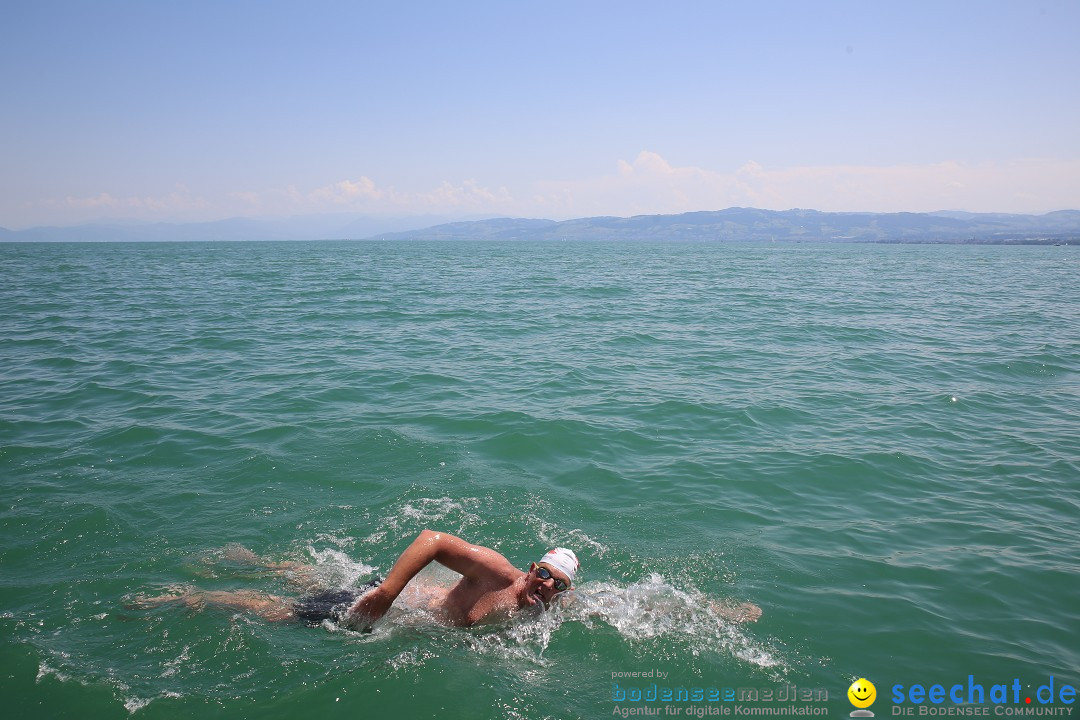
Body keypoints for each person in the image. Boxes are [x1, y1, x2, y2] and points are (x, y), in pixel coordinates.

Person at [128, 530, 579, 632]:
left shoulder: (546, 607)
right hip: (390, 604)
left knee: (310, 580)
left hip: (392, 601)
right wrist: (386, 594)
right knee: (285, 611)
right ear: (530, 567)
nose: (545, 586)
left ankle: (254, 562)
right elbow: (433, 540)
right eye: (543, 574)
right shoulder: (501, 573)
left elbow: (613, 605)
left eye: (557, 584)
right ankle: (198, 595)